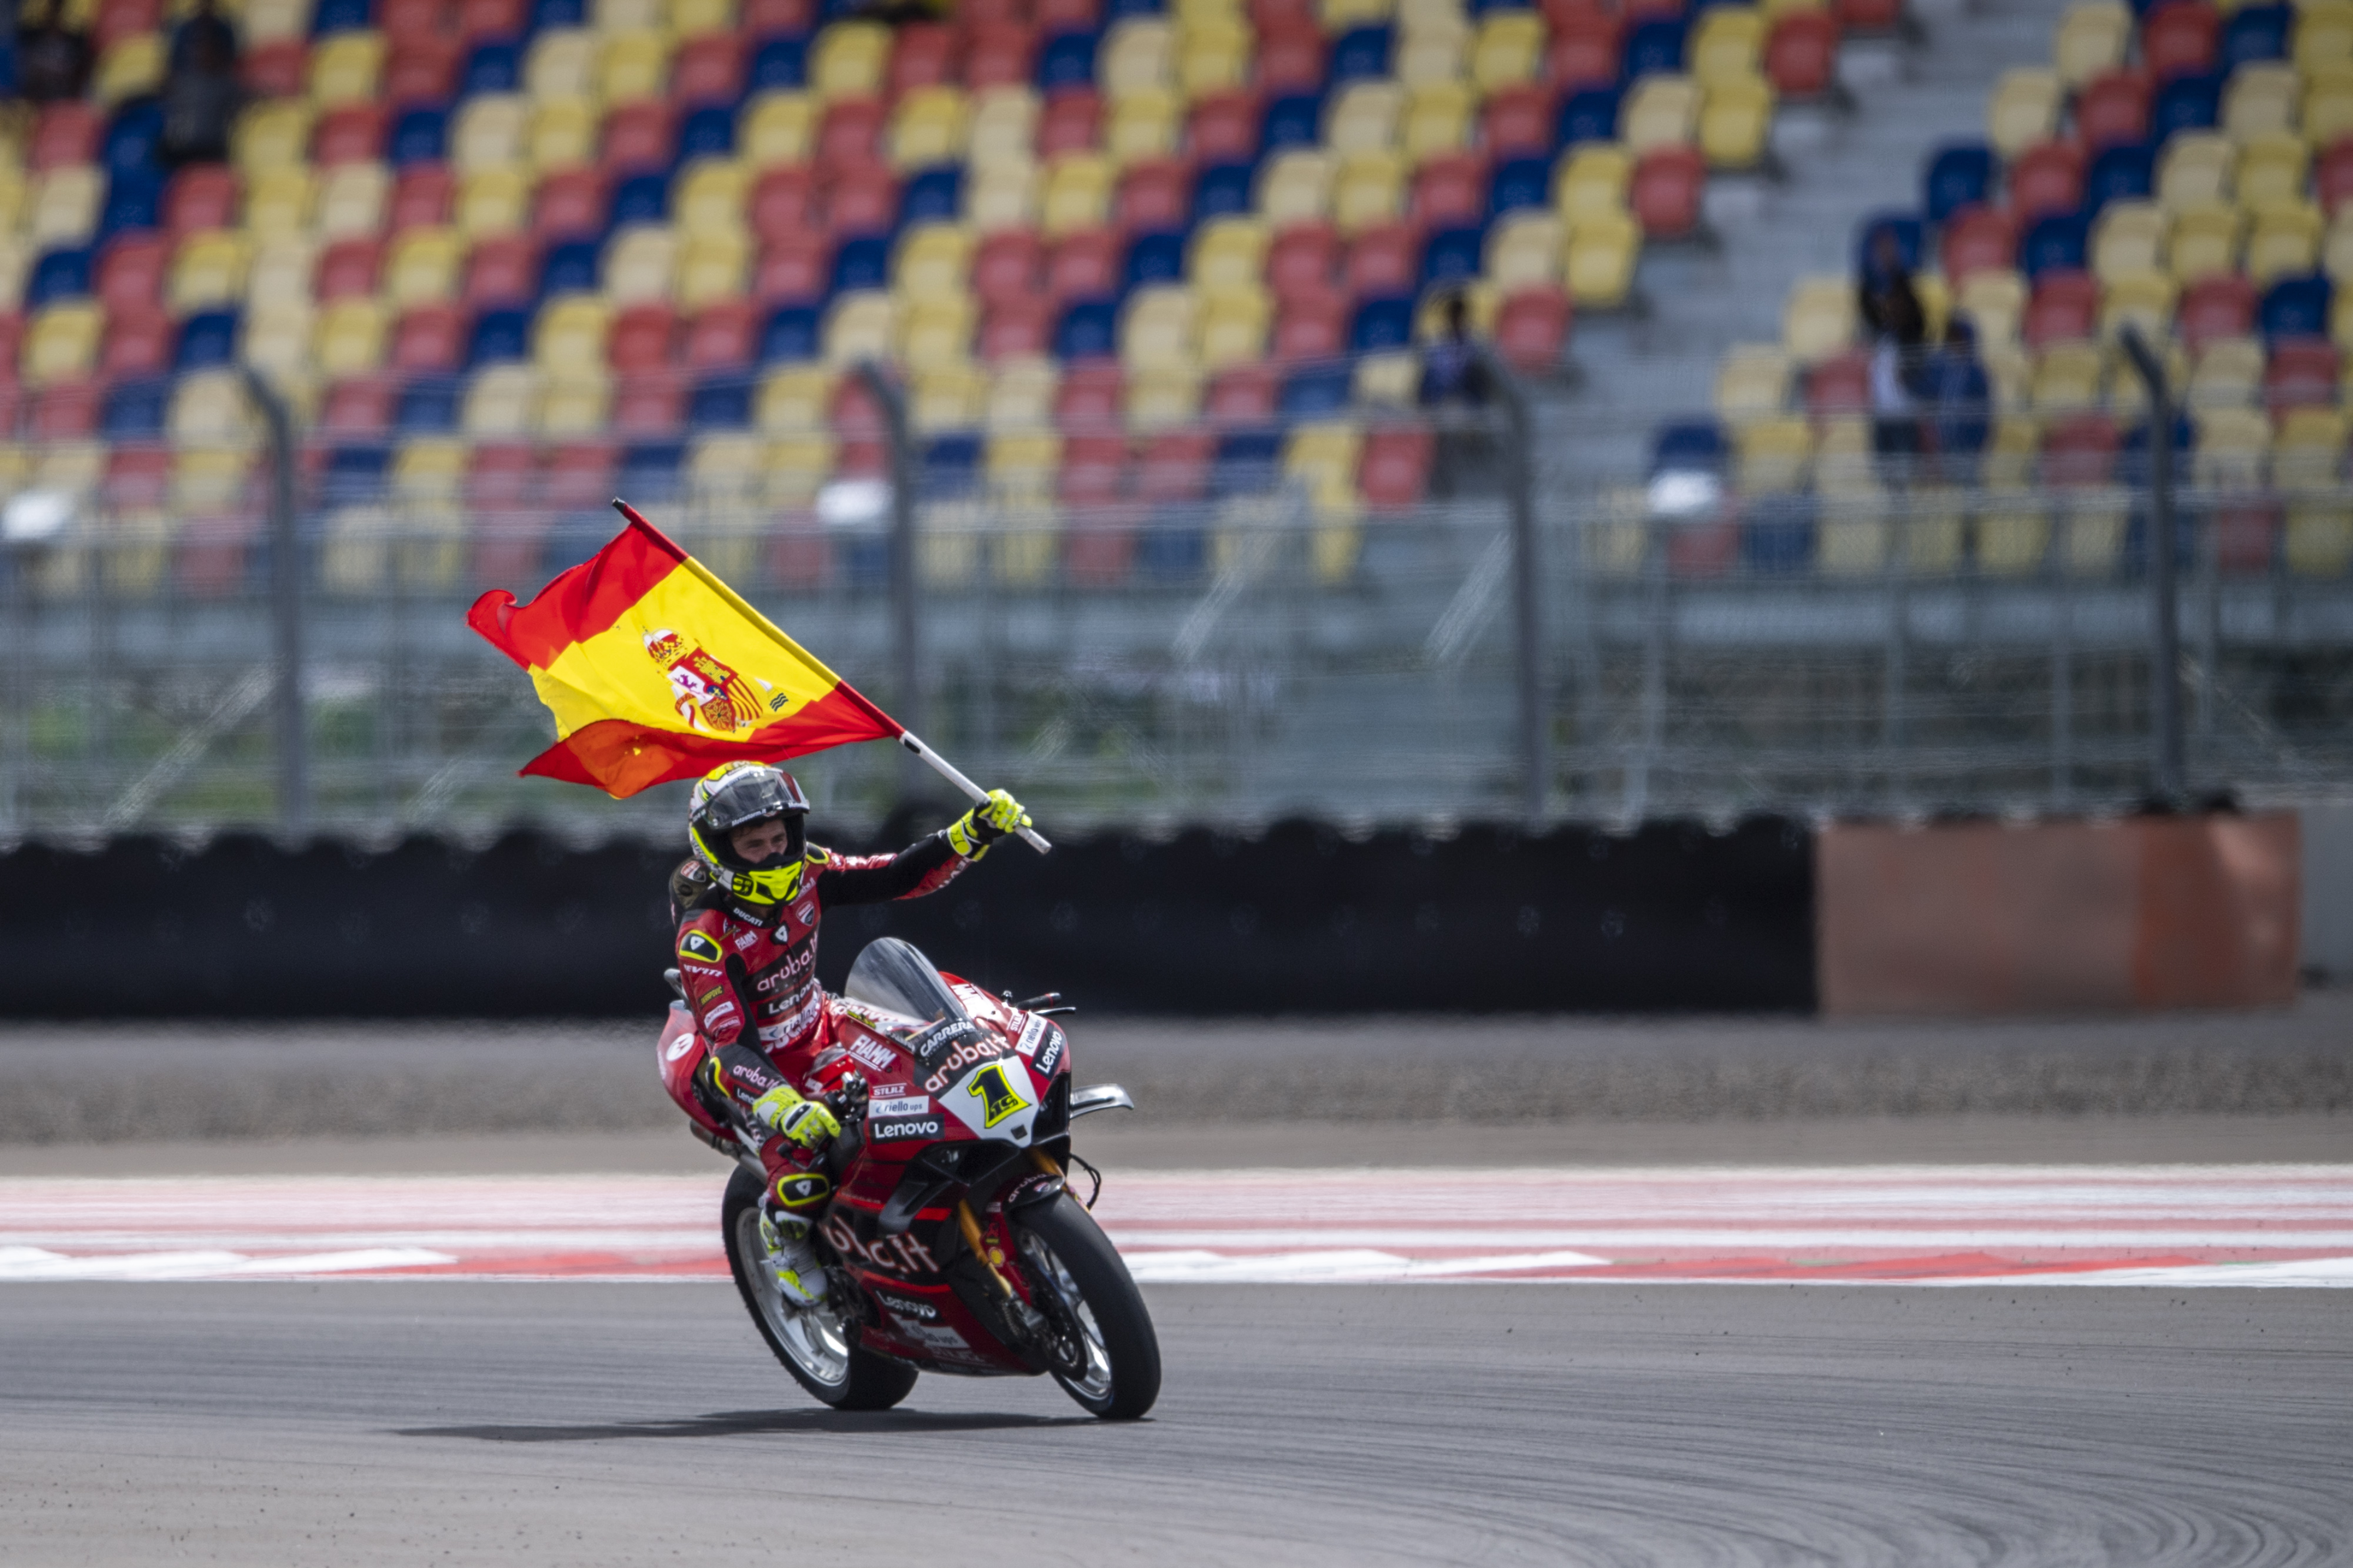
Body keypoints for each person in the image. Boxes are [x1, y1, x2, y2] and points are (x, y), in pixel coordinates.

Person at [668, 760, 1031, 1307]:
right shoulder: (706, 939)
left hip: (820, 1018)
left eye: (778, 837)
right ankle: (782, 1237)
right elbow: (730, 1046)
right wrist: (783, 1105)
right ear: (718, 849)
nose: (773, 853)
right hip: (758, 1064)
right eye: (754, 845)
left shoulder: (810, 870)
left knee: (935, 1059)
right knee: (806, 1175)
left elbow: (893, 875)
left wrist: (970, 832)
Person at [1858, 224, 1927, 488]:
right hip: (1881, 409)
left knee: (1909, 470)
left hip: (1905, 407)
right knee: (1885, 473)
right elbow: (1868, 310)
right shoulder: (1877, 317)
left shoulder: (1908, 306)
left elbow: (1916, 322)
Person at [1927, 314, 1992, 487]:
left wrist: (1976, 442)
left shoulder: (1976, 375)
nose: (1954, 344)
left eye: (1958, 338)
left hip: (1967, 443)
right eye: (1951, 338)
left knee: (1967, 484)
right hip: (1941, 441)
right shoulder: (1939, 368)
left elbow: (1983, 413)